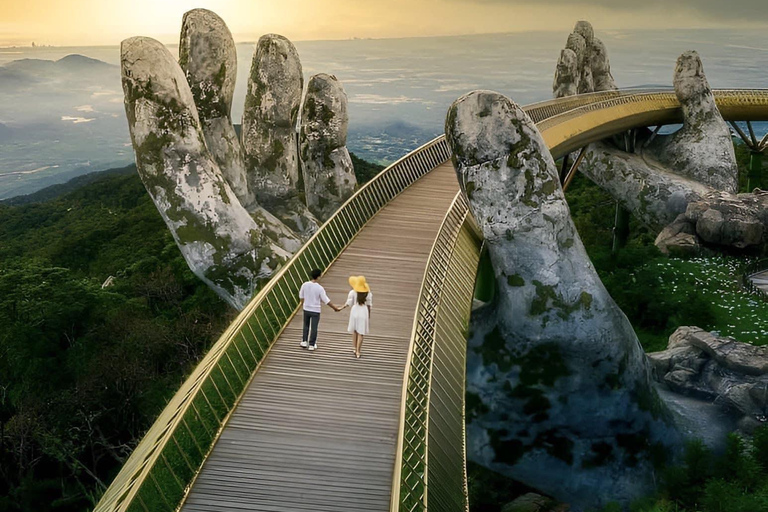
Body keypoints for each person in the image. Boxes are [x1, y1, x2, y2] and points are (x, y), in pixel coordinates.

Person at [298, 268, 341, 351]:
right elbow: (326, 300)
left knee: (306, 325)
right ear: (318, 276)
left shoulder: (305, 285)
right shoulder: (319, 288)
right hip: (315, 310)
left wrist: (303, 305)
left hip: (306, 308)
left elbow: (301, 296)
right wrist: (335, 308)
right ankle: (311, 344)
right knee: (314, 327)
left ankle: (304, 341)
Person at [342, 276, 372, 359]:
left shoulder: (352, 292)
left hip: (355, 310)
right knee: (361, 333)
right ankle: (358, 351)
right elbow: (369, 305)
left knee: (354, 330)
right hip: (363, 311)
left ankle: (354, 348)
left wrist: (341, 307)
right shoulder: (368, 293)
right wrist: (369, 315)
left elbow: (349, 303)